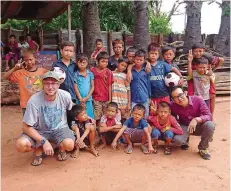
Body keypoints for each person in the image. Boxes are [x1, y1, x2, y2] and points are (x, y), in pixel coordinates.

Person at [16, 71, 75, 166]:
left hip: (60, 129)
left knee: (69, 144)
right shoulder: (34, 100)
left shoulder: (65, 95)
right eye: (47, 83)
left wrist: (84, 115)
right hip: (40, 130)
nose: (50, 87)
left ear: (58, 85)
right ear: (42, 85)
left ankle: (61, 148)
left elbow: (72, 109)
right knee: (21, 145)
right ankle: (39, 149)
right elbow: (26, 127)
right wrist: (44, 142)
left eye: (53, 83)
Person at [170, 86, 215, 160]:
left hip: (198, 125)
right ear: (173, 100)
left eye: (180, 95)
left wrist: (197, 119)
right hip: (184, 125)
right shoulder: (173, 105)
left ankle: (203, 148)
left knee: (210, 125)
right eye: (175, 98)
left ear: (185, 93)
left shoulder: (198, 100)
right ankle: (185, 140)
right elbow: (166, 112)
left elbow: (209, 116)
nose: (179, 99)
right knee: (178, 140)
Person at [3, 48, 47, 115]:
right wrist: (15, 68)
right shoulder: (20, 73)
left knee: (42, 124)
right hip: (26, 105)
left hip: (41, 103)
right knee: (28, 125)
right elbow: (5, 77)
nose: (29, 62)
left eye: (31, 59)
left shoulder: (43, 71)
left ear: (35, 58)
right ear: (23, 61)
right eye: (26, 60)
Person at [187, 43, 224, 118]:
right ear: (192, 51)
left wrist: (213, 69)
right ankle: (195, 115)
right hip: (194, 78)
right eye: (196, 51)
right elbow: (189, 74)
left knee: (212, 96)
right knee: (192, 97)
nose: (198, 53)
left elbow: (221, 60)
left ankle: (211, 115)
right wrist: (189, 61)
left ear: (203, 51)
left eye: (200, 51)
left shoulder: (208, 57)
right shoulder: (191, 58)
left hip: (207, 79)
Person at [147, 43, 183, 114]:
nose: (153, 55)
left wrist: (181, 77)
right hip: (153, 95)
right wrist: (147, 62)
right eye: (151, 53)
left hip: (164, 94)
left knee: (166, 111)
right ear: (148, 54)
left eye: (155, 53)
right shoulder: (145, 66)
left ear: (158, 55)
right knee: (154, 112)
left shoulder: (162, 64)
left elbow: (174, 69)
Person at [90, 51, 113, 126]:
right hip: (96, 97)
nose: (105, 63)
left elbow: (110, 86)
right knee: (97, 116)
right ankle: (96, 131)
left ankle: (103, 133)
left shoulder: (109, 72)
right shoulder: (92, 71)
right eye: (102, 61)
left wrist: (110, 99)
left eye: (106, 62)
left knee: (105, 116)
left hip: (106, 98)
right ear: (97, 61)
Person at [130, 49, 151, 117]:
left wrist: (149, 97)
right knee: (134, 116)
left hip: (144, 97)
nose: (138, 61)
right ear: (134, 59)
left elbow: (148, 84)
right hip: (133, 98)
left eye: (141, 60)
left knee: (145, 116)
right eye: (137, 59)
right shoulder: (131, 70)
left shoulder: (146, 70)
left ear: (144, 61)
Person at [74, 53, 94, 118]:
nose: (82, 64)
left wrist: (87, 97)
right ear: (77, 63)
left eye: (84, 62)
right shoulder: (75, 74)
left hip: (88, 99)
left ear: (87, 63)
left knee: (89, 116)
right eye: (80, 62)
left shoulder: (90, 74)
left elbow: (92, 87)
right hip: (79, 100)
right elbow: (75, 87)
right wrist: (80, 99)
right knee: (80, 116)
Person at [112, 57, 131, 121]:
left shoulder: (126, 76)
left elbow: (128, 90)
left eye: (125, 66)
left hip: (123, 101)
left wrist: (128, 103)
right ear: (117, 63)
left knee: (124, 118)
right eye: (122, 65)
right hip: (114, 100)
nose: (123, 67)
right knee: (115, 118)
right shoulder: (111, 74)